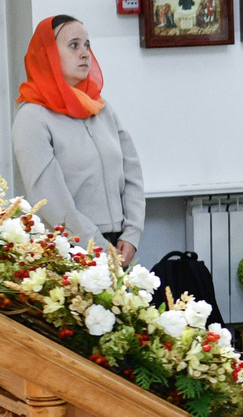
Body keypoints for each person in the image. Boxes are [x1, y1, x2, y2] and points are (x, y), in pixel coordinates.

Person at [11, 15, 145, 264]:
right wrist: (95, 244)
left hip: (119, 245)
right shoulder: (32, 116)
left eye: (87, 45)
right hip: (69, 248)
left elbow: (132, 172)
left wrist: (132, 233)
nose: (85, 53)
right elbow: (48, 195)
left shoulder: (100, 108)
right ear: (48, 53)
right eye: (74, 45)